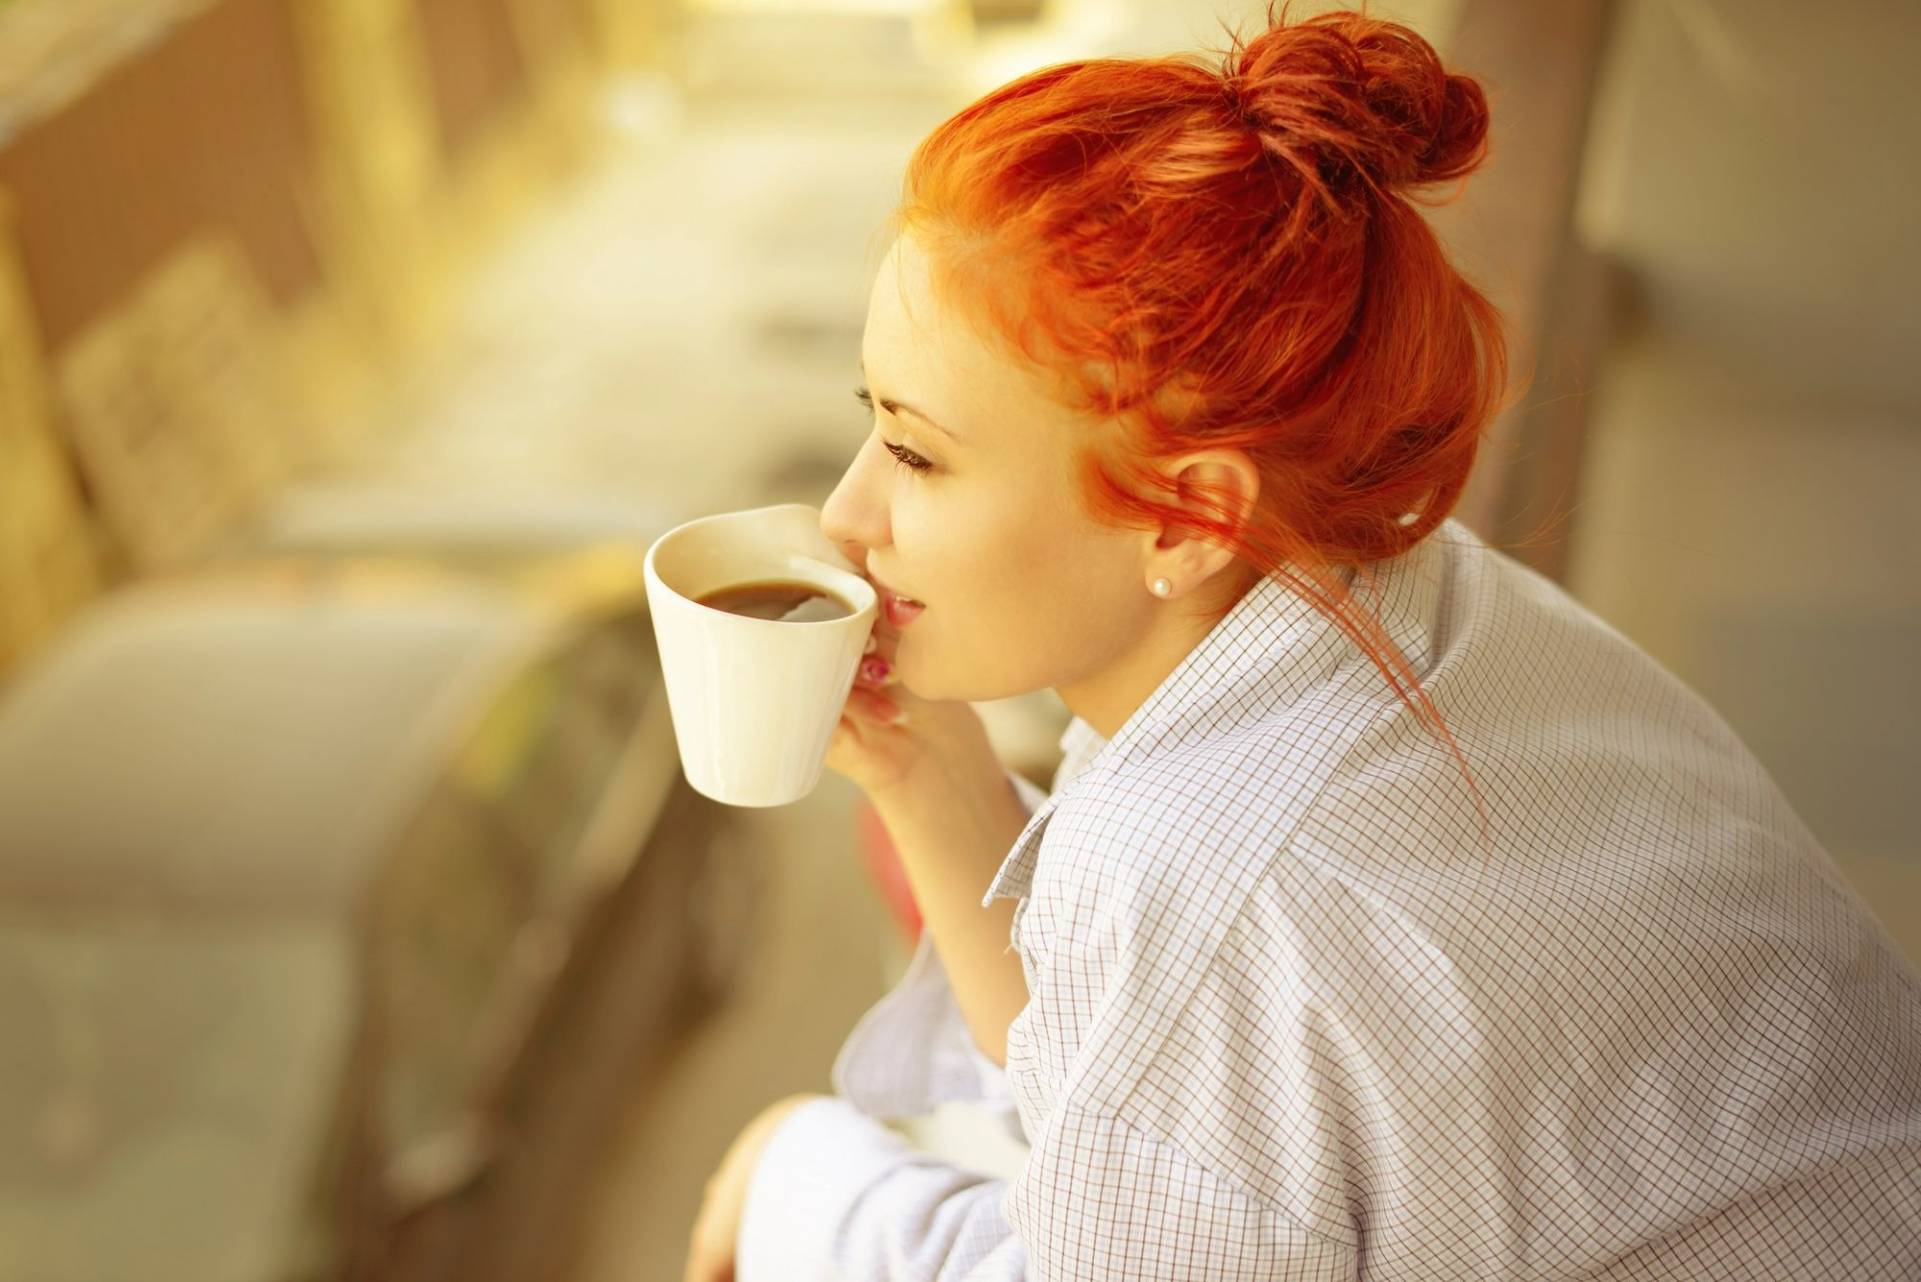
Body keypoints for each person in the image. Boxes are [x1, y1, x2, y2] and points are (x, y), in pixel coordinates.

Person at [683, 5, 1921, 1279]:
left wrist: (796, 1180)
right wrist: (924, 770)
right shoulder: (1423, 602)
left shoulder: (1208, 896)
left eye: (914, 451)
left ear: (1192, 516)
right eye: (868, 417)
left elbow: (1180, 1021)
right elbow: (1127, 1071)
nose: (846, 514)